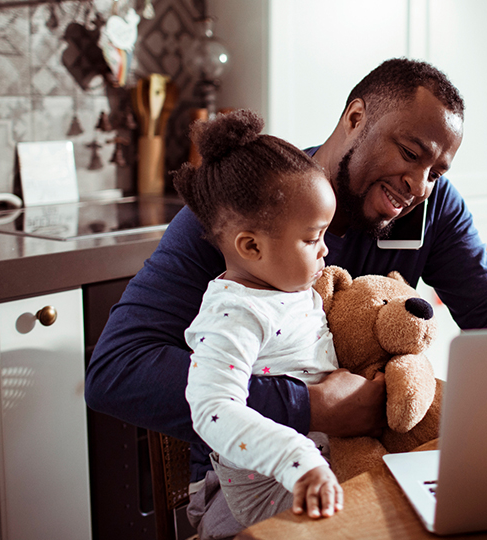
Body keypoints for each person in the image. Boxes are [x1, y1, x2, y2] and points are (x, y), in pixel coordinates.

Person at [85, 58, 487, 537]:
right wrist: (311, 405)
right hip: (259, 480)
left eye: (437, 171)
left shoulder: (432, 207)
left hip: (373, 459)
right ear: (355, 119)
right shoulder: (250, 211)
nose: (419, 185)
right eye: (410, 152)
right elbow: (117, 371)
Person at [174, 110, 342, 530]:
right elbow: (213, 408)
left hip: (322, 467)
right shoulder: (234, 313)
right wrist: (296, 459)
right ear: (250, 246)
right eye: (312, 238)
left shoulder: (285, 289)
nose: (324, 251)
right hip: (273, 490)